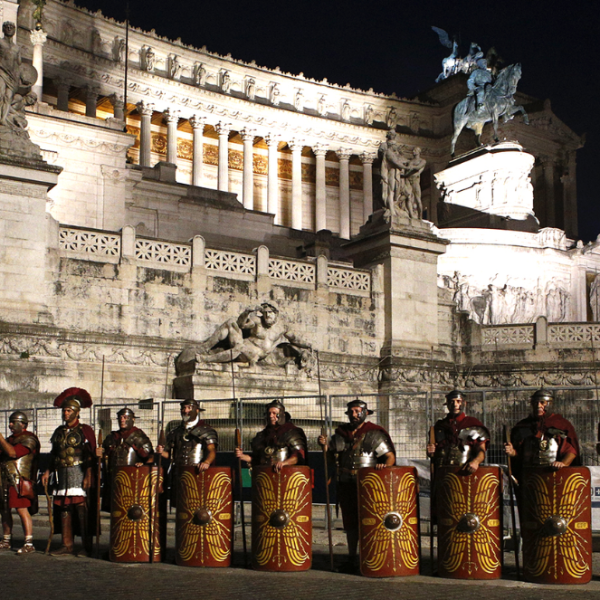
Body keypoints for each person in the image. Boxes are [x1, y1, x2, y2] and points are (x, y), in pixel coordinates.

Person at [318, 399, 395, 573]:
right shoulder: (341, 434)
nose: (354, 415)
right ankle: (352, 559)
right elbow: (332, 459)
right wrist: (325, 447)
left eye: (357, 411)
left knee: (370, 521)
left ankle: (372, 557)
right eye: (351, 411)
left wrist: (385, 468)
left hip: (369, 486)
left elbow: (389, 457)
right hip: (346, 483)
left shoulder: (374, 433)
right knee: (350, 524)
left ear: (365, 412)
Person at [41, 388, 96, 557]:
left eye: (69, 410)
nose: (65, 413)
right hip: (62, 474)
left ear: (77, 413)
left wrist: (88, 474)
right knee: (64, 508)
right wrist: (47, 471)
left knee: (81, 509)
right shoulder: (59, 432)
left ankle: (86, 546)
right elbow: (54, 454)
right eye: (64, 410)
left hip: (79, 472)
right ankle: (67, 544)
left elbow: (91, 454)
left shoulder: (84, 430)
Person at [177, 301, 311, 368]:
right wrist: (246, 312)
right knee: (231, 323)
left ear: (276, 314)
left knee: (238, 348)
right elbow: (241, 325)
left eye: (270, 312)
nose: (267, 315)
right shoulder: (257, 321)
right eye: (265, 312)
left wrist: (309, 345)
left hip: (257, 354)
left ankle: (206, 358)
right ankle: (205, 350)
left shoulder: (283, 327)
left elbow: (295, 339)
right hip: (243, 346)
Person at [504, 388, 579, 480]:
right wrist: (512, 452)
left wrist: (563, 463)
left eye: (543, 402)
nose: (538, 406)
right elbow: (519, 456)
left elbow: (571, 451)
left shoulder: (561, 425)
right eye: (536, 403)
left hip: (554, 475)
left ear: (550, 404)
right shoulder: (523, 426)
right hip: (529, 476)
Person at [97, 408, 154, 510]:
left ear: (132, 419)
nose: (122, 420)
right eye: (120, 418)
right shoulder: (112, 437)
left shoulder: (139, 436)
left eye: (125, 417)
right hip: (113, 480)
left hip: (132, 481)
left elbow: (150, 457)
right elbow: (104, 457)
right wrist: (100, 454)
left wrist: (143, 466)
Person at [0, 411, 40, 554]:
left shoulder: (29, 439)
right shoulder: (9, 439)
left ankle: (29, 543)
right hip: (5, 479)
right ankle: (6, 540)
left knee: (21, 510)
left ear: (22, 424)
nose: (10, 425)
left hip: (19, 480)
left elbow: (13, 453)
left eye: (13, 422)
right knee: (4, 510)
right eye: (9, 422)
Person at [427, 390, 489, 473]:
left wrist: (476, 462)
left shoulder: (472, 424)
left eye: (458, 401)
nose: (455, 404)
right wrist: (431, 451)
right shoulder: (440, 426)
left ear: (464, 403)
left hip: (465, 472)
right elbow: (434, 453)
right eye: (451, 402)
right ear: (447, 404)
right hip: (442, 473)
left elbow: (481, 450)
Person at [236, 400, 307, 472]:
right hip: (266, 474)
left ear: (281, 415)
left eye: (274, 413)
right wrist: (242, 456)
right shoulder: (262, 435)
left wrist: (285, 463)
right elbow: (258, 459)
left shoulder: (291, 432)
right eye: (269, 413)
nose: (271, 416)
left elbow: (298, 455)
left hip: (287, 475)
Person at [156, 399, 217, 473]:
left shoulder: (206, 430)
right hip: (178, 472)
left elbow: (211, 450)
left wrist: (207, 462)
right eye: (183, 408)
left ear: (197, 410)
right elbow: (172, 456)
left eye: (189, 408)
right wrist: (161, 452)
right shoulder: (175, 432)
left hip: (197, 472)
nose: (185, 411)